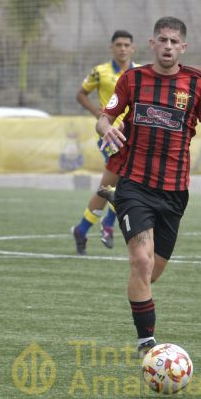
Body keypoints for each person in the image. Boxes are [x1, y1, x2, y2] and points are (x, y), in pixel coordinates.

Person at [96, 17, 201, 357]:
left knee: (152, 273)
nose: (167, 46)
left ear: (183, 47)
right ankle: (146, 344)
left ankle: (117, 204)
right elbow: (104, 116)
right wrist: (104, 127)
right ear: (152, 44)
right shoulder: (132, 79)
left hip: (174, 191)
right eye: (162, 40)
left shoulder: (197, 83)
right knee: (140, 261)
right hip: (135, 183)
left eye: (174, 41)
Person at [71, 30, 137, 255]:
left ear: (133, 48)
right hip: (108, 135)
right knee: (125, 183)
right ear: (112, 47)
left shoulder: (139, 73)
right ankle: (108, 225)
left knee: (111, 186)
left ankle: (82, 229)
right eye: (118, 44)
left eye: (126, 45)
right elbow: (81, 94)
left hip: (131, 135)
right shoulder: (100, 72)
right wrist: (98, 114)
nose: (122, 48)